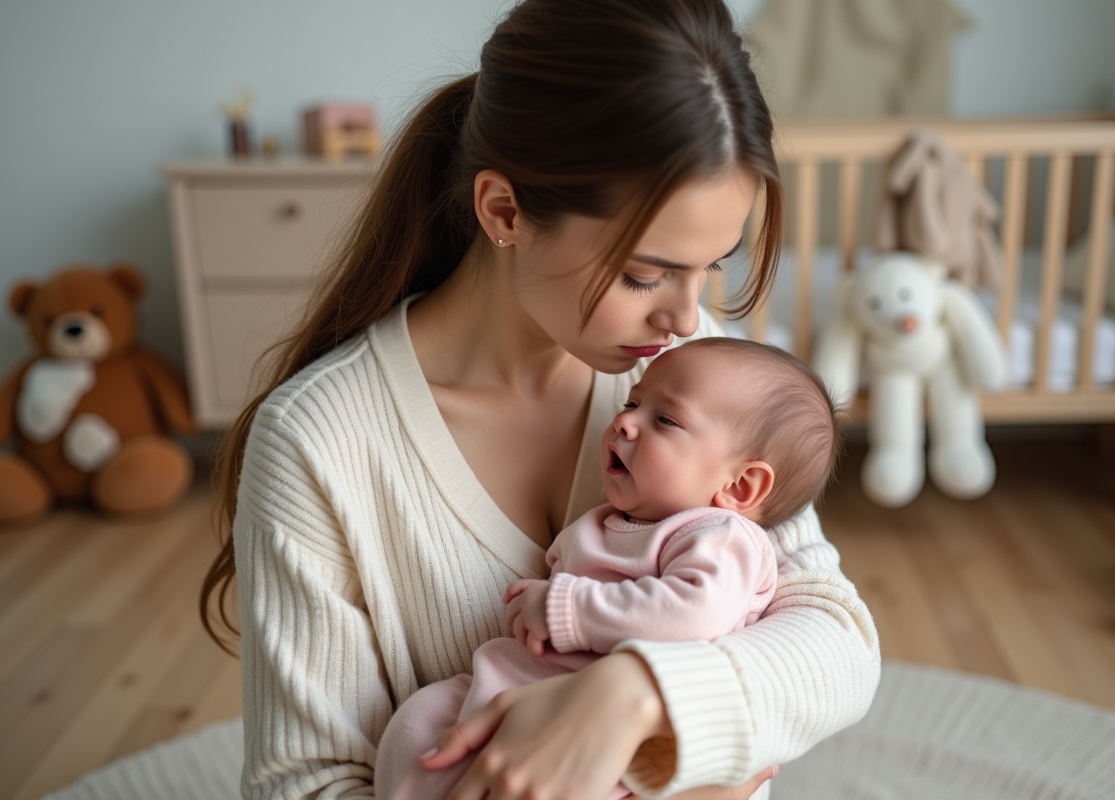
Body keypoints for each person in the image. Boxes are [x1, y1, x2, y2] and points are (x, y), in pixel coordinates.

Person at [199, 1, 881, 798]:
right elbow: (304, 785)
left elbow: (837, 641)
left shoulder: (693, 381)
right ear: (504, 211)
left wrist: (631, 698)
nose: (686, 317)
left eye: (712, 265)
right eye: (643, 274)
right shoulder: (320, 443)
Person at [375, 338, 841, 800]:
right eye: (631, 402)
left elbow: (691, 614)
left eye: (665, 419)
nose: (624, 422)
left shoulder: (720, 536)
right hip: (523, 691)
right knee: (419, 723)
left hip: (625, 741)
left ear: (740, 486)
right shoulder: (616, 521)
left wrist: (565, 608)